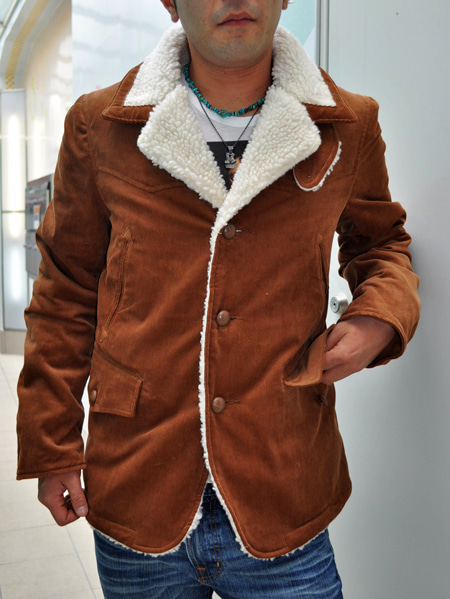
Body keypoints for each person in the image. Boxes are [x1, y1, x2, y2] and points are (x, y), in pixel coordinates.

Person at [16, 1, 420, 597]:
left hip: (283, 486)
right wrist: (51, 446)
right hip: (138, 482)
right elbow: (65, 290)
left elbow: (383, 245)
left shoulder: (346, 124)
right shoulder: (100, 124)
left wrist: (379, 319)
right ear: (169, 1)